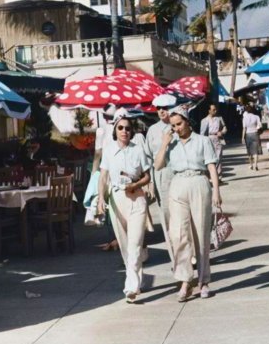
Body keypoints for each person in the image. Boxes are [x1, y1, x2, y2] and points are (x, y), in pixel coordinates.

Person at [156, 106, 222, 301]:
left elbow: (211, 166)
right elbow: (158, 165)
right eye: (173, 125)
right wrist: (164, 144)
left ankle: (204, 280)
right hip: (178, 184)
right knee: (178, 234)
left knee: (201, 233)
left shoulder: (203, 141)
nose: (176, 128)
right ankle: (185, 280)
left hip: (199, 182)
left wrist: (217, 191)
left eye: (179, 124)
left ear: (187, 121)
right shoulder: (171, 144)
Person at [95, 113, 152, 304]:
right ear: (115, 130)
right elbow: (103, 177)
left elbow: (147, 176)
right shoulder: (109, 150)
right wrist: (101, 198)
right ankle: (137, 278)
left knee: (135, 243)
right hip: (117, 199)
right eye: (121, 128)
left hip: (136, 198)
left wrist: (136, 185)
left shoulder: (138, 150)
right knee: (125, 245)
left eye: (128, 128)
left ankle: (131, 287)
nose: (124, 131)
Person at [146, 93, 178, 257]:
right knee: (165, 216)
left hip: (177, 174)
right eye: (158, 108)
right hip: (160, 176)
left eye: (164, 108)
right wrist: (150, 181)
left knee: (181, 215)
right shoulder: (152, 130)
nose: (161, 111)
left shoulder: (178, 126)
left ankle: (189, 252)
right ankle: (174, 256)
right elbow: (148, 157)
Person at [91, 103, 119, 252]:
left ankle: (113, 239)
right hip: (118, 171)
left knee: (107, 206)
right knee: (116, 205)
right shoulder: (120, 129)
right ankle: (117, 238)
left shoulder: (101, 131)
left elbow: (97, 154)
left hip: (105, 172)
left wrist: (93, 174)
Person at [200, 103, 228, 174]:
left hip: (218, 139)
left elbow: (225, 128)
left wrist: (222, 132)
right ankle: (211, 174)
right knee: (210, 158)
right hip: (209, 139)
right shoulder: (204, 120)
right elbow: (202, 133)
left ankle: (218, 176)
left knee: (218, 158)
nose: (215, 111)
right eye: (213, 110)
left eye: (216, 109)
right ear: (209, 111)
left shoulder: (219, 118)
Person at [241, 104, 263, 171]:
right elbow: (260, 125)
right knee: (255, 151)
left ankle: (251, 165)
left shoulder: (244, 118)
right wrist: (257, 129)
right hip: (255, 133)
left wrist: (242, 137)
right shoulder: (256, 117)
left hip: (248, 134)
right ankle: (256, 165)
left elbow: (244, 128)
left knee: (249, 151)